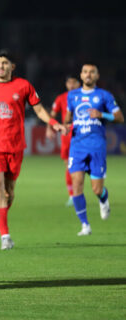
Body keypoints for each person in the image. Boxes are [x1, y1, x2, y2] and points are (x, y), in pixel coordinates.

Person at [0, 49, 67, 250]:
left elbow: (38, 109)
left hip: (15, 145)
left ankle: (0, 215)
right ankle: (5, 236)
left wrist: (53, 122)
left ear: (12, 67)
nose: (1, 66)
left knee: (9, 192)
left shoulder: (23, 86)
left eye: (5, 63)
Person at [64, 62, 124, 236]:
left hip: (97, 146)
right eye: (85, 72)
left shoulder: (104, 95)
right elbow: (68, 118)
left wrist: (101, 114)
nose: (88, 74)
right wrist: (66, 124)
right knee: (77, 184)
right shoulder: (72, 96)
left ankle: (103, 199)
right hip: (77, 147)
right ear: (81, 76)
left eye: (92, 72)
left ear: (97, 76)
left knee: (97, 189)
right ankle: (85, 225)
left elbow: (120, 117)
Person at [46, 75, 81, 207]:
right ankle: (72, 195)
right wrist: (49, 128)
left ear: (79, 83)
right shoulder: (61, 98)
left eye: (74, 82)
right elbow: (52, 115)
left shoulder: (85, 96)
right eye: (69, 82)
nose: (71, 85)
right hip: (67, 135)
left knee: (81, 167)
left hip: (82, 133)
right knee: (68, 166)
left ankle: (83, 191)